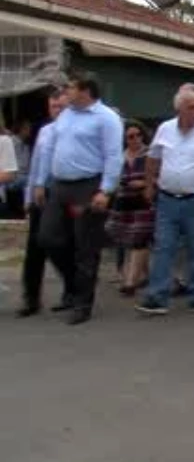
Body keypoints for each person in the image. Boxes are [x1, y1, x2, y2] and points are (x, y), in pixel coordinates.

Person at [32, 72, 124, 325]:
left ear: (86, 91)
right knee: (48, 238)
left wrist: (105, 190)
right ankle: (73, 284)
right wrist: (40, 182)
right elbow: (50, 148)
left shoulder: (107, 119)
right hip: (60, 185)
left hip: (88, 186)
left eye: (70, 88)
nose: (65, 93)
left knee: (86, 245)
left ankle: (82, 303)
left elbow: (114, 156)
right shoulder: (67, 115)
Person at [137, 88, 194, 314]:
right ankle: (157, 296)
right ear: (178, 109)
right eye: (191, 107)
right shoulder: (165, 129)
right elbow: (152, 158)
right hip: (168, 199)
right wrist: (149, 184)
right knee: (163, 247)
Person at [16, 89, 70, 318]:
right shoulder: (45, 132)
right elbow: (36, 165)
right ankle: (31, 297)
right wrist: (28, 197)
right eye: (53, 107)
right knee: (35, 249)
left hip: (65, 192)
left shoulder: (75, 131)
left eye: (61, 106)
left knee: (59, 244)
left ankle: (73, 287)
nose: (56, 111)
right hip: (42, 192)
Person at [110, 121, 154, 297]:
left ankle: (130, 283)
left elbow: (160, 176)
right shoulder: (120, 156)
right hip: (123, 202)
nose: (136, 139)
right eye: (131, 136)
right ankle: (145, 275)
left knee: (139, 240)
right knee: (127, 239)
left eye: (139, 135)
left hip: (144, 202)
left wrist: (143, 183)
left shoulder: (150, 154)